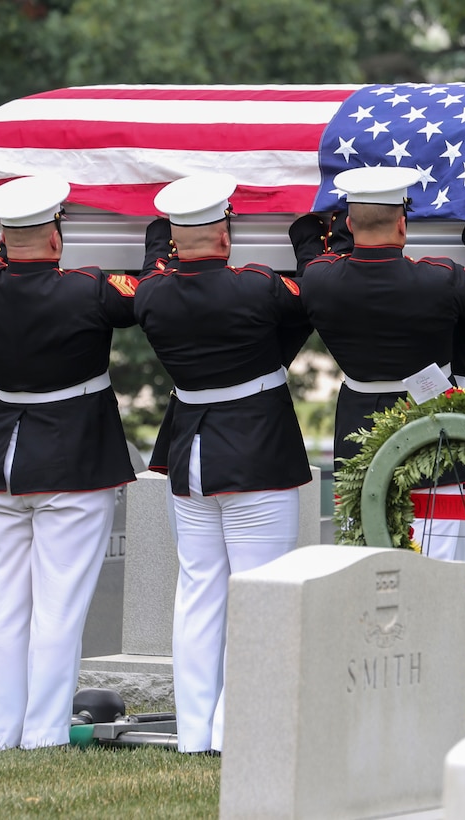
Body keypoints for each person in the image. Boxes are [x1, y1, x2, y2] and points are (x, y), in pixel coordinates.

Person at [133, 172, 313, 754]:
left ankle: (194, 732)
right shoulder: (258, 286)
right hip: (256, 453)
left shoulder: (151, 295)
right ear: (227, 232)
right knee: (261, 594)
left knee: (199, 594)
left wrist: (167, 236)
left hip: (190, 456)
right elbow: (312, 296)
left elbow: (157, 254)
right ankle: (238, 727)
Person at [0, 175, 139, 750]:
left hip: (8, 462)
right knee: (59, 608)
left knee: (5, 605)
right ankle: (41, 733)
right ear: (58, 239)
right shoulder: (88, 289)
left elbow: (2, 257)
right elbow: (146, 294)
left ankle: (1, 732)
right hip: (73, 462)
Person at [289, 165, 465, 559]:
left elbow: (311, 251)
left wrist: (311, 232)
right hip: (431, 431)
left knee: (363, 565)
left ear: (349, 222)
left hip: (358, 435)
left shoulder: (319, 280)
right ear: (403, 225)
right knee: (437, 570)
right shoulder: (438, 279)